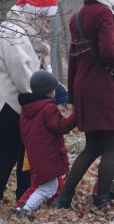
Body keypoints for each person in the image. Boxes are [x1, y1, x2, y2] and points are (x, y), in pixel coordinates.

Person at [54, 0, 114, 210]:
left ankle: (64, 197)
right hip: (102, 89)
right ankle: (101, 200)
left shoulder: (77, 17)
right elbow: (109, 52)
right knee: (113, 144)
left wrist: (73, 94)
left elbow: (72, 57)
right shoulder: (104, 14)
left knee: (93, 146)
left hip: (83, 88)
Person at [0, 0, 55, 215]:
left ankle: (23, 204)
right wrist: (49, 95)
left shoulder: (27, 34)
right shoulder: (12, 33)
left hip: (18, 105)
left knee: (25, 157)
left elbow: (35, 72)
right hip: (4, 106)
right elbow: (23, 75)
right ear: (35, 15)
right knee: (7, 156)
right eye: (47, 20)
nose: (49, 25)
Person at [13, 71, 77, 214]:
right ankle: (24, 210)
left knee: (41, 185)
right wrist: (76, 116)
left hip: (34, 155)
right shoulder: (48, 108)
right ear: (48, 91)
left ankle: (19, 207)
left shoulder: (28, 109)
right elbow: (61, 126)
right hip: (48, 156)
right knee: (48, 188)